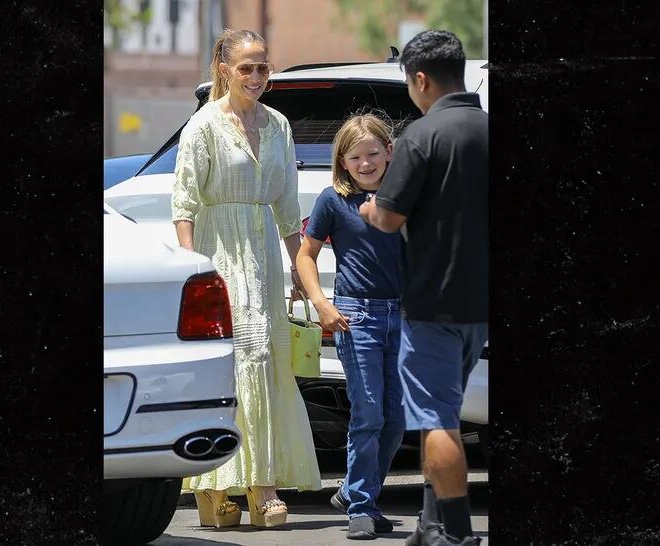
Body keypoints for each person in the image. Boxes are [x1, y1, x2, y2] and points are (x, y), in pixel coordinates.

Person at [171, 28, 321, 529]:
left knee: (268, 361)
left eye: (263, 67)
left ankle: (262, 485)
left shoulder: (278, 125)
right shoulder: (204, 126)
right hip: (219, 255)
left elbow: (286, 208)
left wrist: (301, 270)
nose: (257, 76)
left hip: (263, 253)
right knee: (230, 364)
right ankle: (217, 487)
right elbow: (185, 204)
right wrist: (192, 273)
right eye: (246, 67)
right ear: (223, 69)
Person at [359, 30, 488, 546]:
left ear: (419, 79)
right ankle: (429, 525)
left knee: (436, 421)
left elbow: (387, 218)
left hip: (432, 303)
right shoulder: (487, 129)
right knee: (449, 413)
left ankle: (456, 534)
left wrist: (369, 208)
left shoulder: (422, 135)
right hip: (478, 305)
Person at [296, 113, 405, 540]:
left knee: (396, 418)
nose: (365, 163)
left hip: (406, 316)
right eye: (354, 157)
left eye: (373, 154)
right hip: (356, 316)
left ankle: (352, 489)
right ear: (342, 161)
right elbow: (306, 256)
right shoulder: (332, 199)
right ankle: (362, 505)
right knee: (369, 413)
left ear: (389, 153)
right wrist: (321, 303)